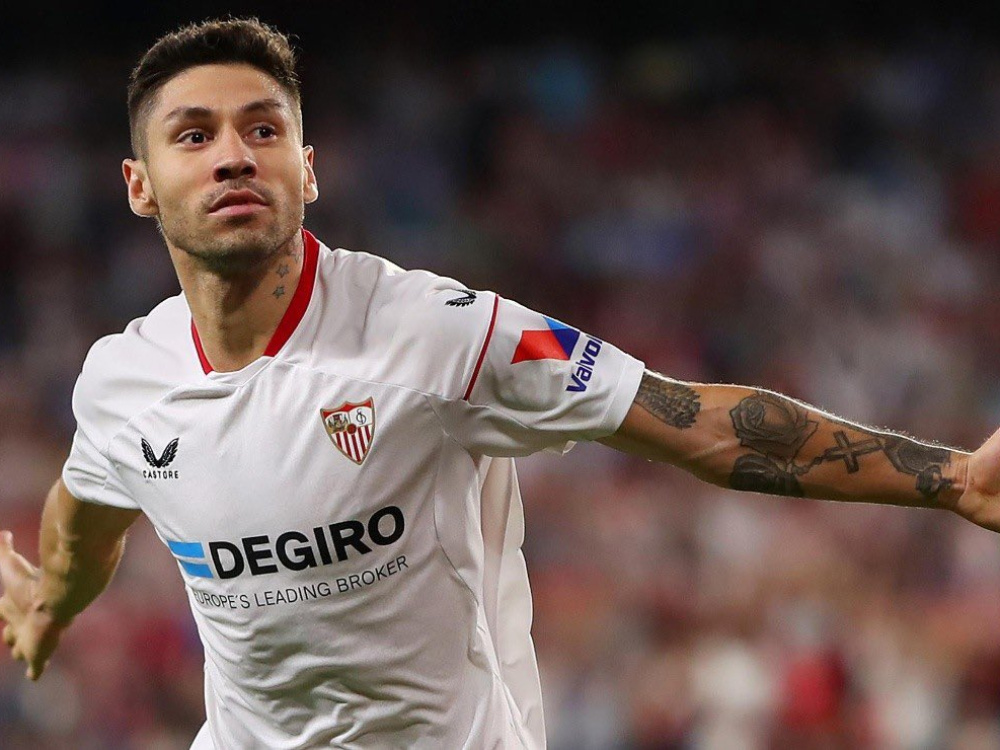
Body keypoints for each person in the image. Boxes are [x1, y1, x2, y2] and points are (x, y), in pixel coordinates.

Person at [1, 16, 999, 750]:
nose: (232, 157)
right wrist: (49, 607)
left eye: (262, 130)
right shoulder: (122, 383)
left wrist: (951, 479)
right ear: (138, 185)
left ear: (307, 170)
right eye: (193, 135)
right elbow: (86, 518)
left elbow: (695, 422)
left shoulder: (440, 333)